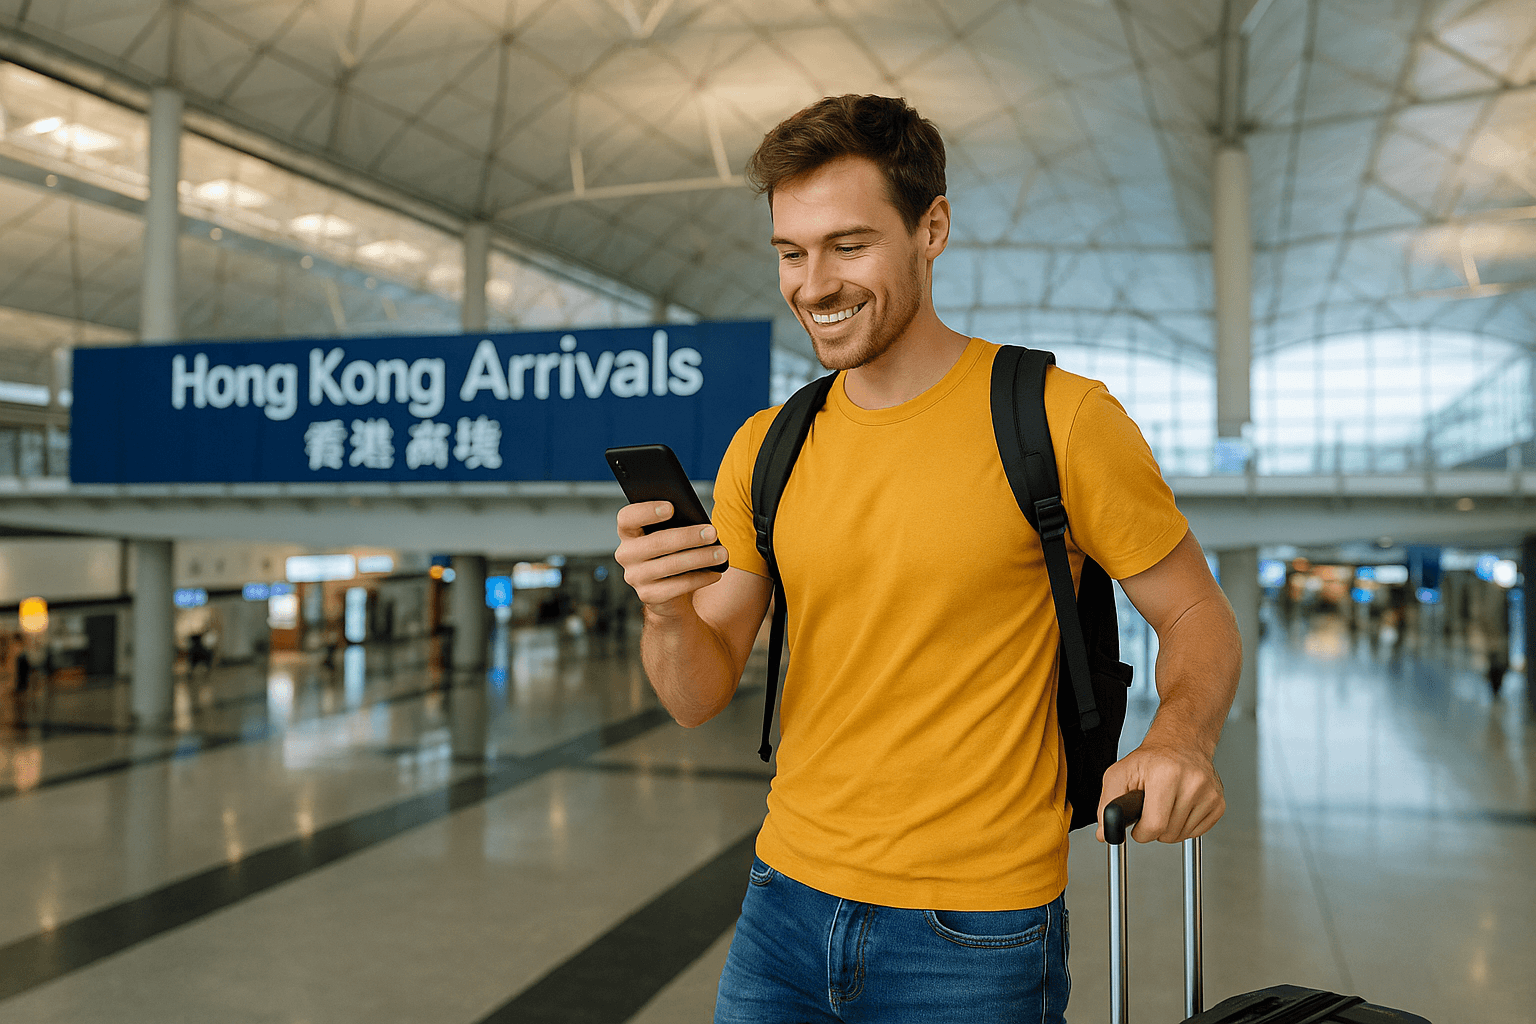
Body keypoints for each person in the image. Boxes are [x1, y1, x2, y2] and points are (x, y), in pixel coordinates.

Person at [613, 94, 1241, 1024]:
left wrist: (1177, 738)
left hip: (976, 934)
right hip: (781, 905)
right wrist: (666, 610)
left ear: (931, 228)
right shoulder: (768, 447)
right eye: (791, 252)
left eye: (849, 246)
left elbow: (1196, 613)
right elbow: (695, 694)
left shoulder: (1059, 419)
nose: (813, 284)